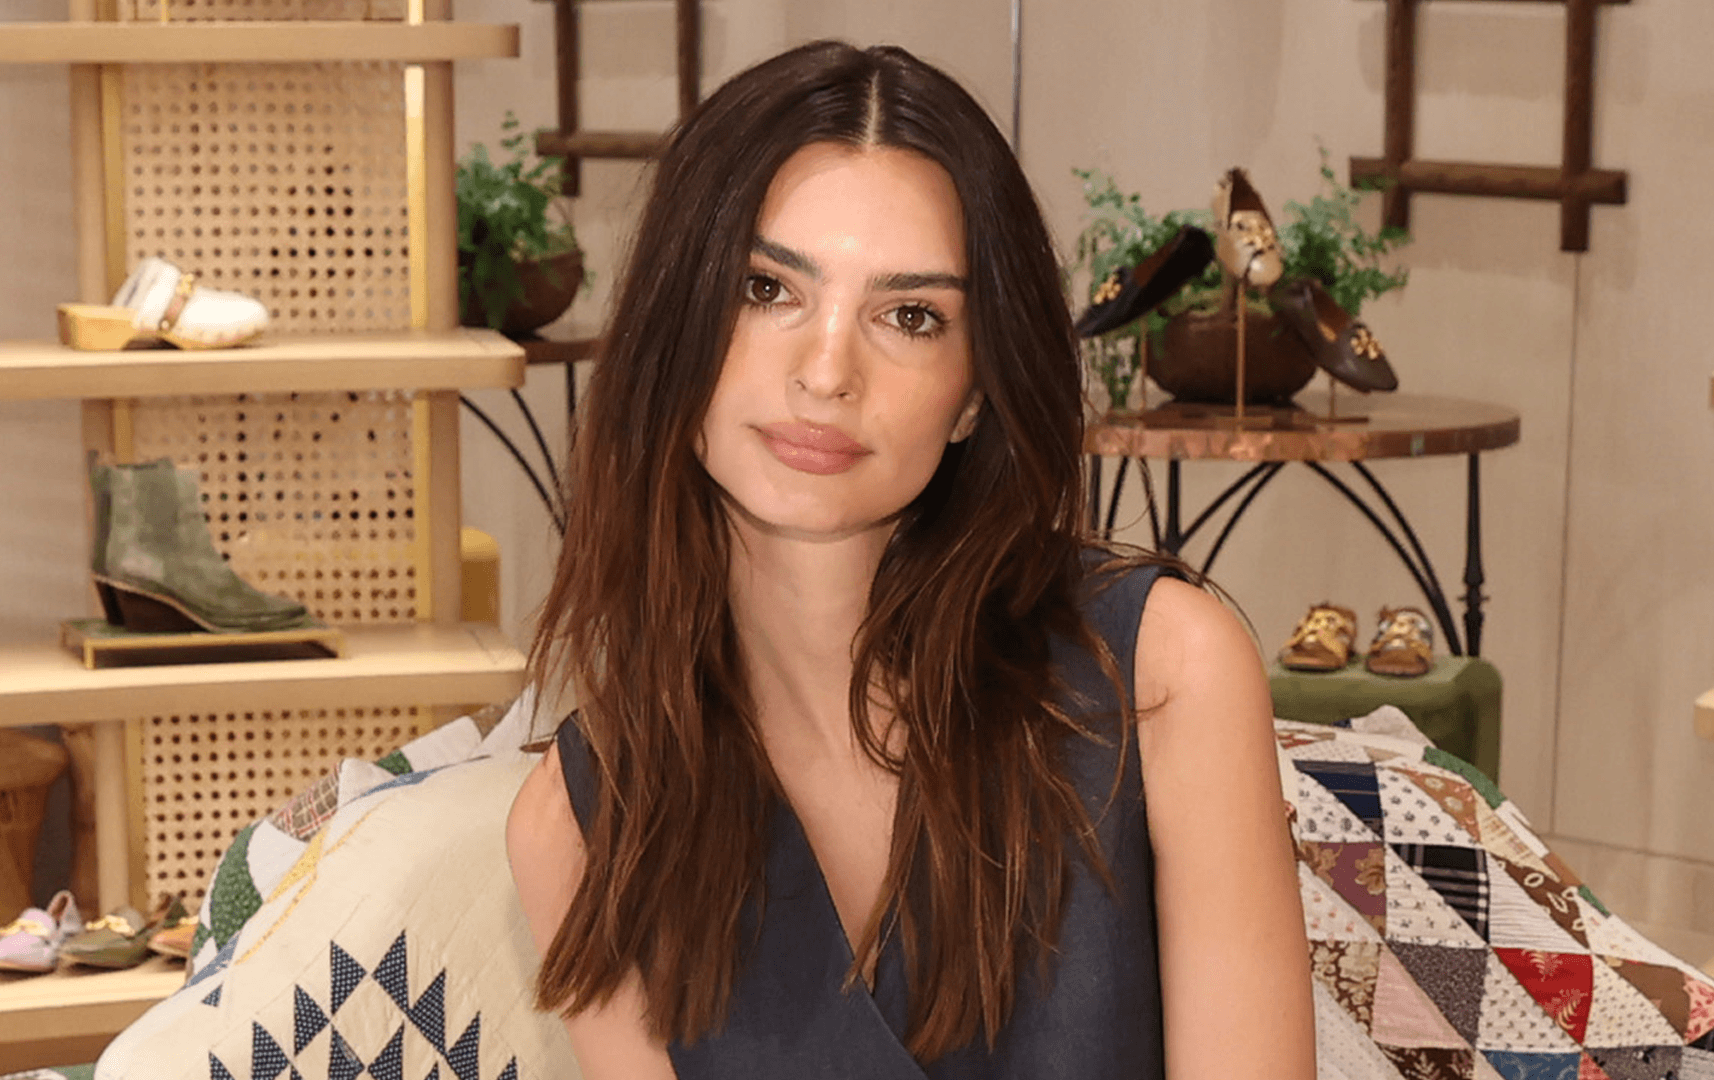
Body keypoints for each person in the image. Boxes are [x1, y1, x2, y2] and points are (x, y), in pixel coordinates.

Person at [504, 40, 1315, 1080]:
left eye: (910, 316)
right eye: (766, 288)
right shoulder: (582, 823)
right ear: (673, 324)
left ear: (975, 393)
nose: (826, 372)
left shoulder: (1162, 674)